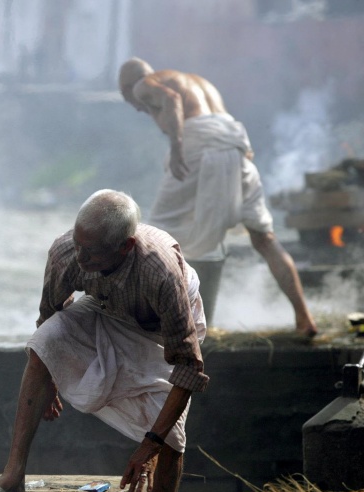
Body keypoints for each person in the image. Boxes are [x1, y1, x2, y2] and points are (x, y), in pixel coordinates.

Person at [0, 189, 207, 492]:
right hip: (106, 309)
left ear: (126, 246)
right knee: (45, 341)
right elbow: (49, 318)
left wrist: (149, 444)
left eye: (92, 252)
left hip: (160, 333)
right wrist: (54, 378)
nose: (82, 259)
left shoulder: (160, 272)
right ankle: (12, 477)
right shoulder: (67, 252)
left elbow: (188, 369)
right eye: (79, 244)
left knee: (172, 440)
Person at [118, 57, 317, 336]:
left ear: (127, 87)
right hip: (235, 150)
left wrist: (176, 146)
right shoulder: (201, 84)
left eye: (130, 101)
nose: (138, 107)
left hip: (197, 151)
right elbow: (223, 124)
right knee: (264, 238)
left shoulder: (143, 84)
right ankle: (305, 318)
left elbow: (172, 99)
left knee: (153, 239)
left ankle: (143, 326)